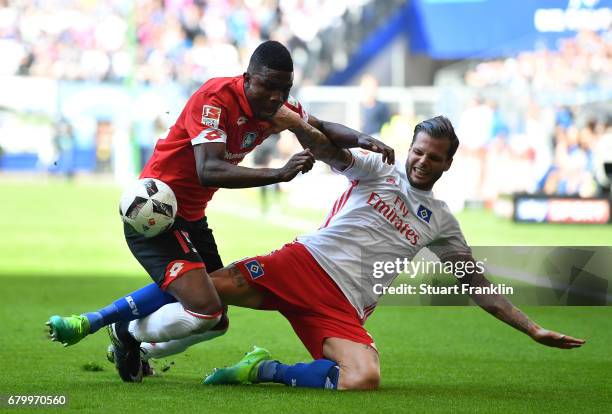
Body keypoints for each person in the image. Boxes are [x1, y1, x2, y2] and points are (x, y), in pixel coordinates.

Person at [52, 115, 585, 390]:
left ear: (448, 163)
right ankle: (122, 330)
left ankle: (260, 371)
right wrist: (304, 129)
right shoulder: (379, 169)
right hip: (303, 265)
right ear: (412, 149)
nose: (422, 162)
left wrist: (531, 327)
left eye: (434, 158)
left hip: (343, 308)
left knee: (364, 379)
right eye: (419, 151)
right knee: (206, 296)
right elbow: (334, 152)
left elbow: (475, 285)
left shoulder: (442, 222)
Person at [45, 40, 394, 383]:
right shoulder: (216, 99)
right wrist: (278, 173)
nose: (276, 97)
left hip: (192, 219)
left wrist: (361, 139)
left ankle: (133, 341)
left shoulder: (277, 108)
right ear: (247, 78)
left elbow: (318, 128)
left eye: (284, 89)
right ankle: (126, 332)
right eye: (267, 86)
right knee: (204, 308)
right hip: (157, 213)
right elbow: (207, 170)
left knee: (216, 318)